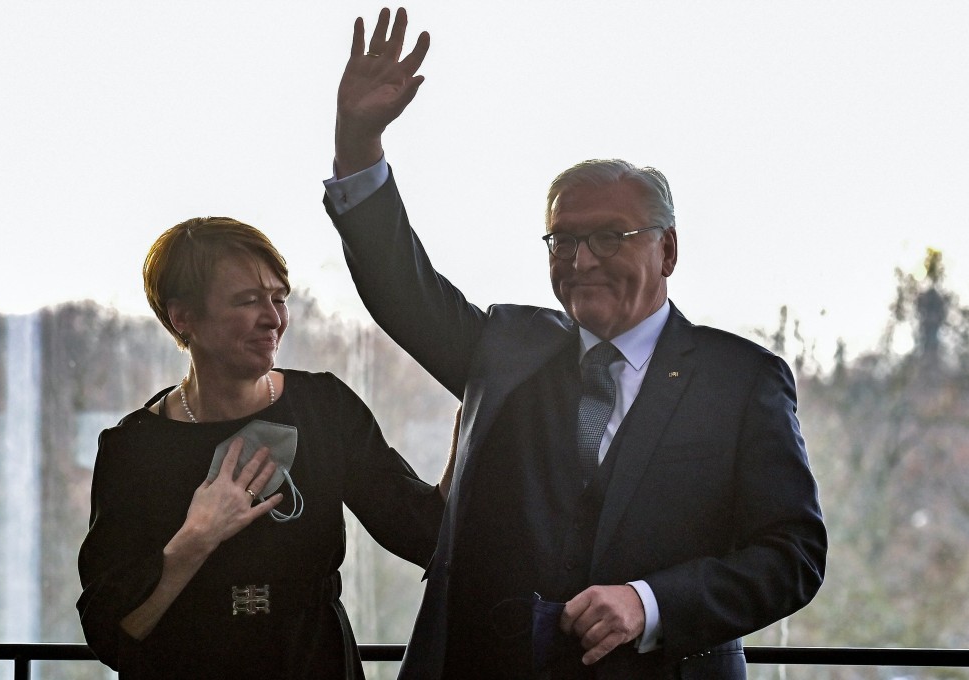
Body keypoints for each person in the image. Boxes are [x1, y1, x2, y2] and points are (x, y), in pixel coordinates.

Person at [322, 8, 828, 680]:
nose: (582, 260)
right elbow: (400, 288)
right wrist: (359, 146)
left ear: (668, 248)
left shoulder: (742, 380)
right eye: (563, 239)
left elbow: (791, 556)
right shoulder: (505, 348)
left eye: (611, 236)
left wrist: (647, 604)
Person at [77, 216, 451, 679]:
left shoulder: (325, 408)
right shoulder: (131, 449)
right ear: (183, 317)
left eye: (278, 299)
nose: (273, 319)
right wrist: (199, 536)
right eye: (248, 300)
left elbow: (420, 532)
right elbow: (111, 630)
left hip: (313, 665)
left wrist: (468, 462)